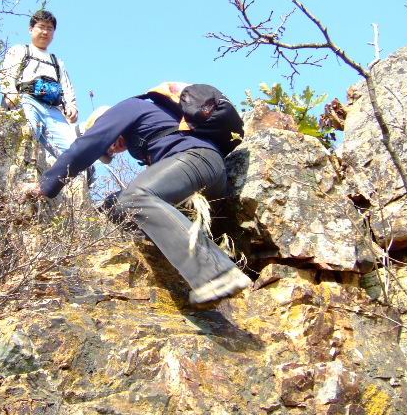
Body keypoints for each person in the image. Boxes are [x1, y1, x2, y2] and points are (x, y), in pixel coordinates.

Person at [22, 84, 252, 305]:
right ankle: (195, 273)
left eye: (109, 145)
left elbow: (86, 146)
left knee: (134, 198)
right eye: (109, 152)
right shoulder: (152, 135)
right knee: (113, 205)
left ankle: (216, 273)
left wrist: (45, 186)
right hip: (207, 177)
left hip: (197, 160)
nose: (112, 149)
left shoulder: (130, 107)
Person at [0, 9, 78, 159]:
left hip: (53, 109)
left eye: (50, 29)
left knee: (73, 151)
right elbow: (8, 73)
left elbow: (67, 87)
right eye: (41, 27)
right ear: (31, 29)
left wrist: (71, 106)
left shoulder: (57, 62)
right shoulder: (21, 50)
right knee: (25, 137)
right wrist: (10, 92)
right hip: (26, 100)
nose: (45, 32)